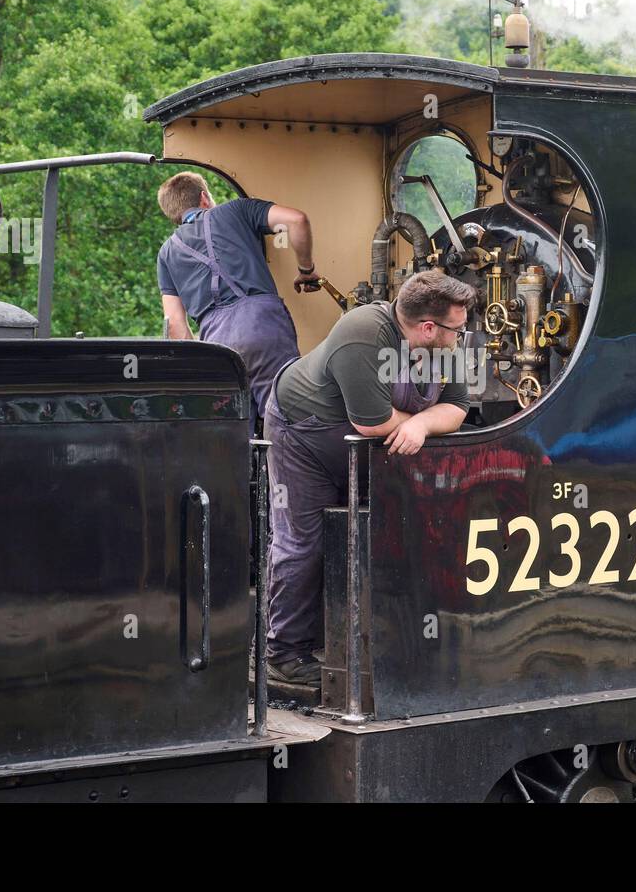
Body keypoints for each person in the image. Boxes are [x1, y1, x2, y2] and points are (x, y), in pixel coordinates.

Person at [263, 270, 478, 685]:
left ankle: (392, 643)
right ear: (429, 328)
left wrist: (420, 426)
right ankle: (285, 654)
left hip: (371, 440)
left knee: (389, 530)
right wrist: (419, 423)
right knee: (303, 543)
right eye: (457, 329)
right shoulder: (363, 332)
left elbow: (458, 408)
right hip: (303, 434)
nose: (461, 338)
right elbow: (373, 422)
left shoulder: (446, 346)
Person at [155, 172, 320, 420]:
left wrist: (200, 368)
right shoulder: (237, 210)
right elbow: (297, 220)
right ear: (204, 198)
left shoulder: (166, 253)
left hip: (216, 346)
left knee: (235, 435)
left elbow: (176, 326)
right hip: (262, 327)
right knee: (286, 421)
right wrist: (306, 270)